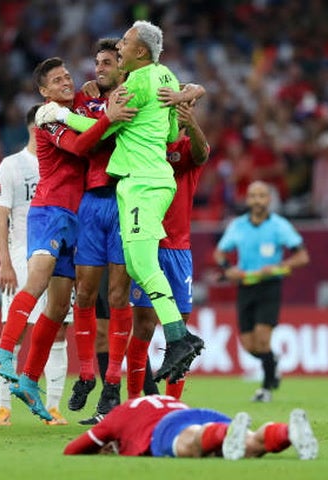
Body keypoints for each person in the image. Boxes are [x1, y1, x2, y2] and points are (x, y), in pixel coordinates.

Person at [36, 20, 205, 384]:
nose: (121, 47)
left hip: (143, 183)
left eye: (126, 43)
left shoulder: (136, 85)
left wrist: (61, 115)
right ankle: (179, 337)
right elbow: (170, 132)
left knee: (142, 264)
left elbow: (103, 126)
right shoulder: (165, 76)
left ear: (140, 51)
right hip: (144, 183)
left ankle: (179, 337)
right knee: (137, 263)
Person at [0, 57, 135, 421]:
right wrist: (109, 118)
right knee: (37, 281)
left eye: (68, 76)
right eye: (57, 80)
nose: (66, 82)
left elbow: (93, 114)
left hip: (75, 217)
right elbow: (80, 147)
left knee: (57, 306)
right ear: (44, 91)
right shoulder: (47, 116)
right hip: (49, 211)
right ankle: (3, 352)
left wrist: (99, 97)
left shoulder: (78, 106)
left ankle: (28, 379)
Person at [65, 38, 137, 420]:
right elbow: (81, 145)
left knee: (118, 295)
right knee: (85, 293)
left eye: (107, 62)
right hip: (92, 202)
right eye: (97, 62)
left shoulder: (135, 98)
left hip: (125, 200)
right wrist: (104, 115)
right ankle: (86, 375)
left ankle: (112, 387)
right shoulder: (85, 101)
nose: (99, 68)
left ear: (122, 67)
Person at [0, 104, 71, 427]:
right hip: (21, 255)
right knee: (16, 328)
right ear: (34, 128)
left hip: (58, 254)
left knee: (58, 327)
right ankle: (2, 407)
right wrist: (4, 262)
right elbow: (0, 216)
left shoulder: (63, 162)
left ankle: (53, 407)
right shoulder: (11, 166)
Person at [127, 90, 209, 402]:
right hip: (148, 243)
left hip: (178, 250)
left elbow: (202, 154)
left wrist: (193, 123)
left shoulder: (187, 148)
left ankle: (173, 403)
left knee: (180, 332)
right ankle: (135, 401)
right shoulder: (146, 146)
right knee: (143, 327)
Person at [213, 181, 309, 403]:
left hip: (269, 286)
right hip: (245, 286)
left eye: (262, 196)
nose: (257, 200)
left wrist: (278, 267)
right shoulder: (238, 225)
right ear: (247, 199)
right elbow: (220, 253)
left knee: (263, 339)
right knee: (249, 345)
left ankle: (266, 389)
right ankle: (272, 362)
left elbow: (302, 256)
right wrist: (229, 269)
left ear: (269, 199)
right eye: (253, 196)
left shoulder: (279, 226)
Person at [63, 394, 318, 461]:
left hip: (166, 427)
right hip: (198, 413)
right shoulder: (161, 400)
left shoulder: (116, 416)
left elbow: (72, 450)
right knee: (250, 446)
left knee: (191, 444)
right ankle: (288, 432)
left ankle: (224, 435)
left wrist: (100, 447)